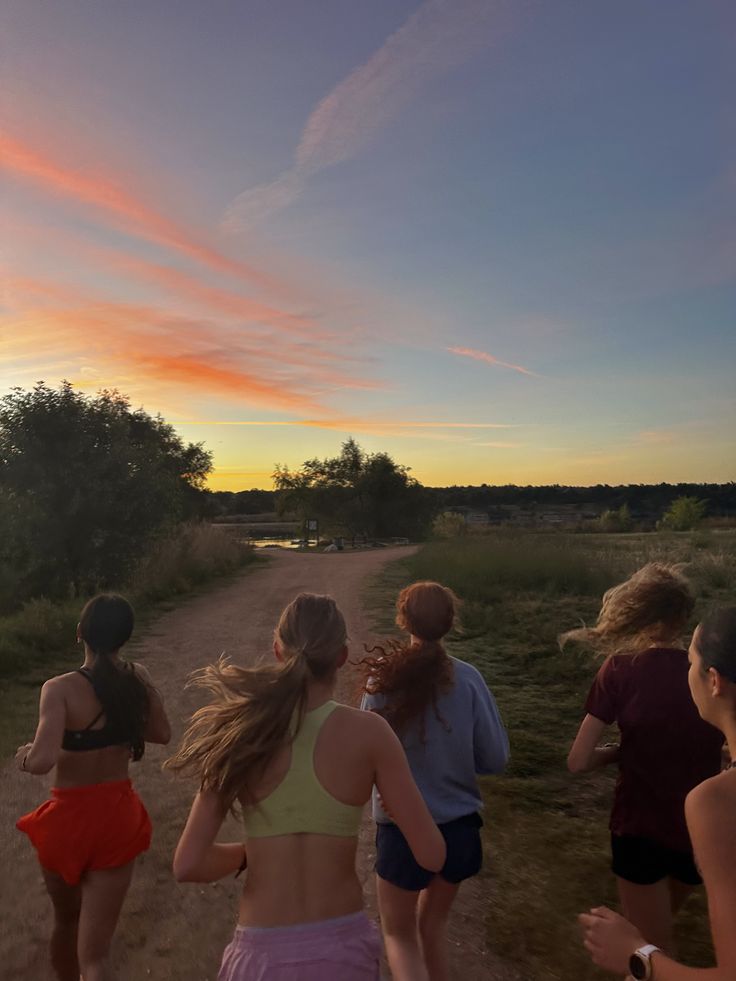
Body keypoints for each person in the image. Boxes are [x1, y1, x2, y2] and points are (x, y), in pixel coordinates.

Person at [167, 592, 445, 981]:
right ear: (342, 657)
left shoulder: (240, 733)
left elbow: (188, 864)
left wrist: (250, 854)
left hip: (259, 957)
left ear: (278, 650)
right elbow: (432, 856)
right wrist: (402, 812)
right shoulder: (371, 734)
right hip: (342, 955)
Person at [564, 564, 724, 958]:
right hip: (701, 833)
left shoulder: (618, 670)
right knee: (652, 935)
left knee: (648, 952)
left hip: (639, 829)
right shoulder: (710, 677)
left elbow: (578, 761)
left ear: (637, 612)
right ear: (684, 616)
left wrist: (622, 750)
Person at [15, 593, 170, 981]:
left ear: (80, 632)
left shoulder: (60, 688)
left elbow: (43, 760)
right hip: (117, 819)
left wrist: (23, 755)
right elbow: (162, 733)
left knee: (66, 922)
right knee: (96, 958)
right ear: (125, 636)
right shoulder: (138, 677)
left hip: (67, 822)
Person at [360, 581, 509, 981]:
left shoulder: (379, 682)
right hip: (459, 830)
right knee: (432, 930)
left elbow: (365, 761)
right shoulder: (470, 679)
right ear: (450, 622)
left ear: (402, 619)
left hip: (402, 832)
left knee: (399, 934)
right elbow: (495, 758)